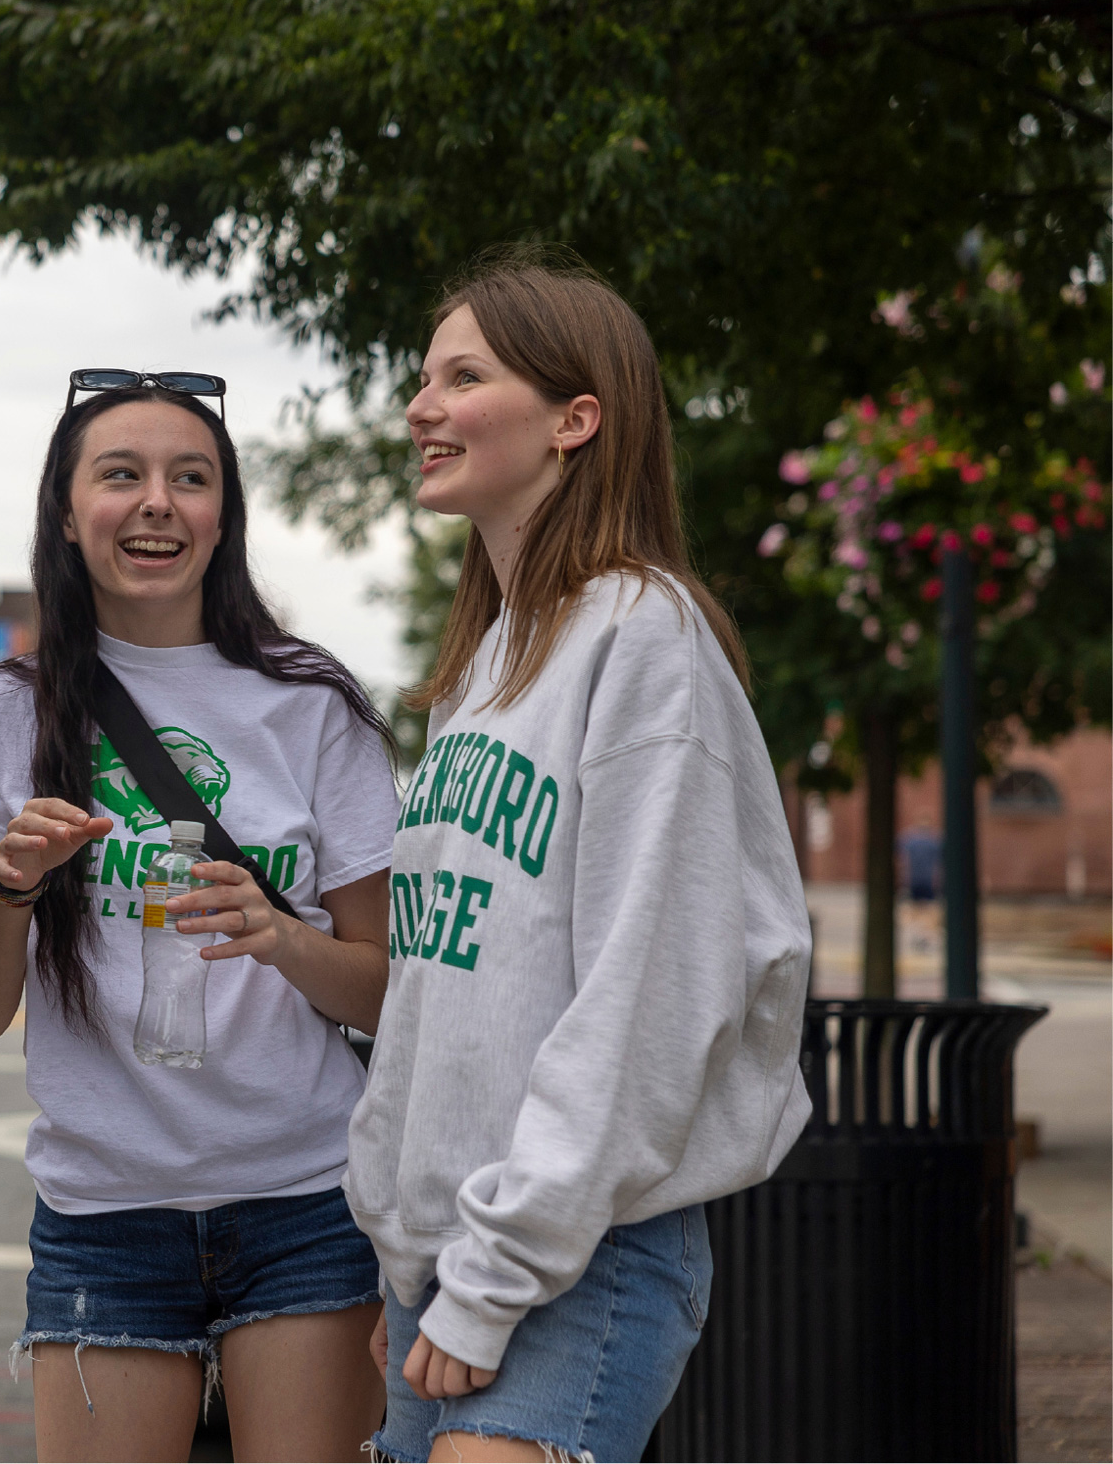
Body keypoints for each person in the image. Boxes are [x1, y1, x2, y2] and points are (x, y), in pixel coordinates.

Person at [350, 252, 813, 1464]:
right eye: (423, 376)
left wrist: (497, 1273)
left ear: (575, 418)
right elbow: (437, 983)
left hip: (577, 1254)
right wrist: (403, 1244)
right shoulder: (487, 667)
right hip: (443, 1261)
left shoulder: (645, 633)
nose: (421, 406)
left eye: (464, 375)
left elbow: (651, 996)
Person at [0, 374, 399, 1462]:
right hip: (103, 1213)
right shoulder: (2, 714)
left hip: (305, 1200)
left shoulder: (314, 705)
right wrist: (14, 885)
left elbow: (387, 985)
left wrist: (284, 936)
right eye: (120, 475)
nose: (157, 503)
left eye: (191, 478)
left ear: (224, 516)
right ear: (67, 508)